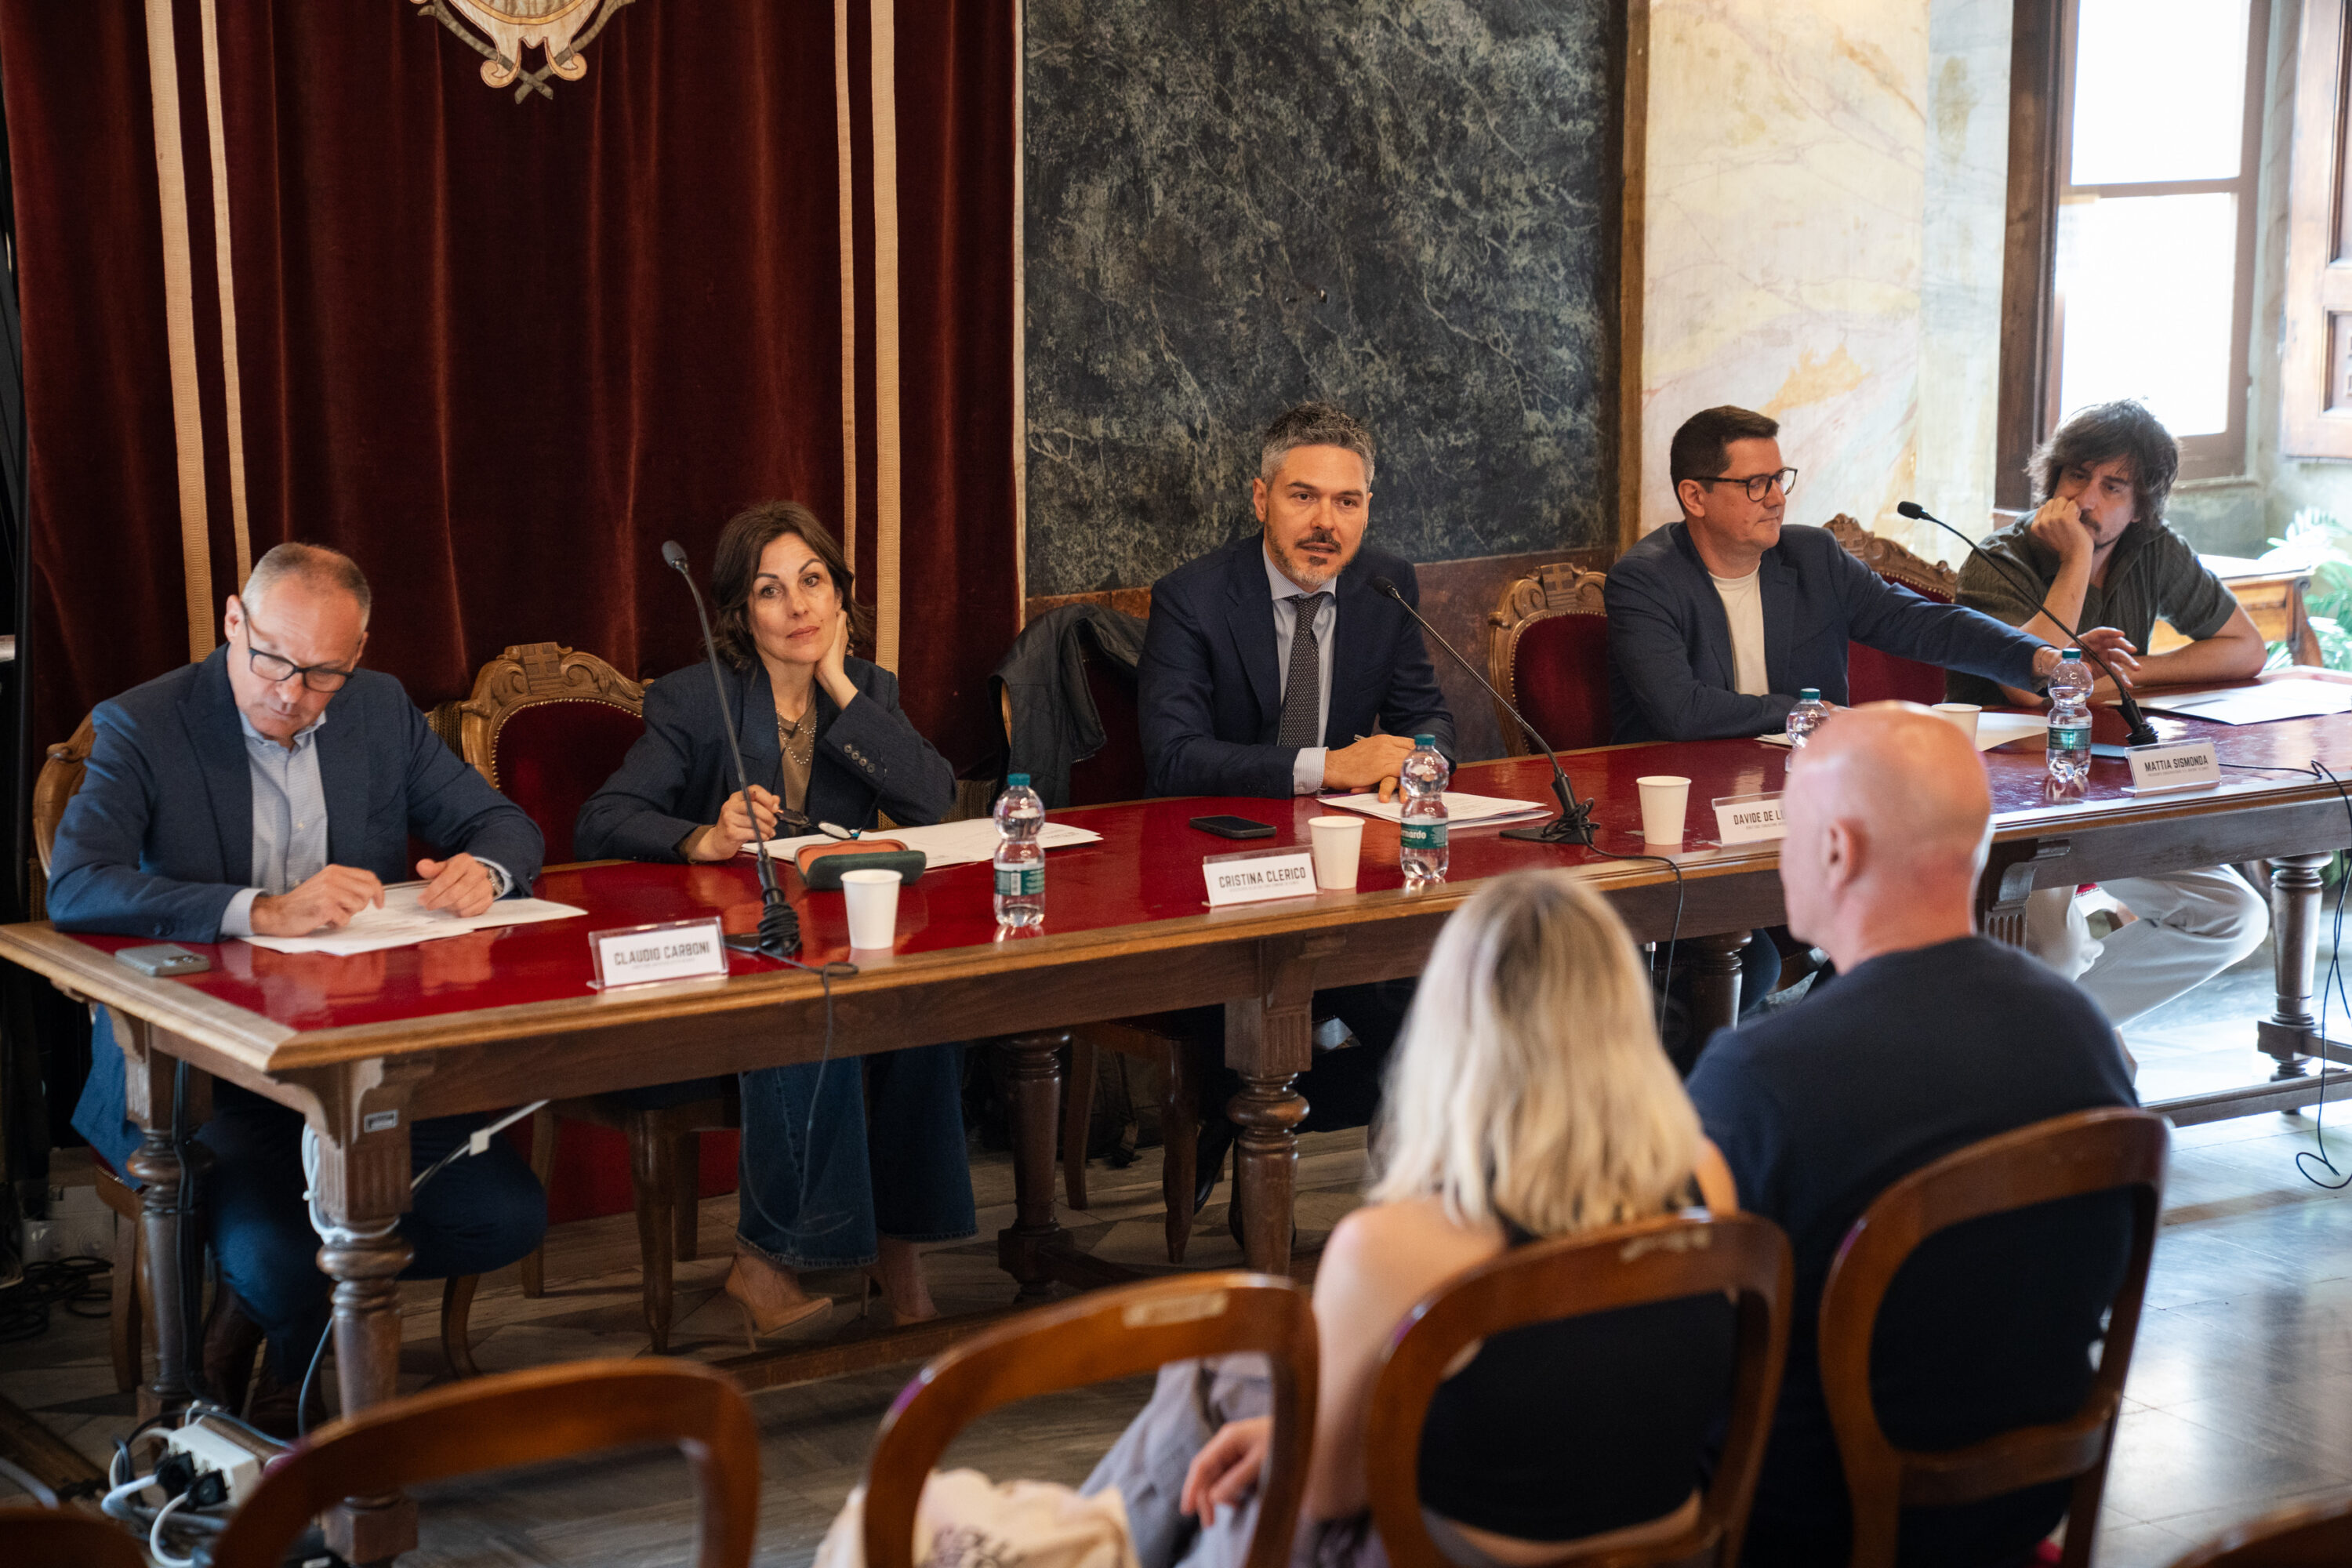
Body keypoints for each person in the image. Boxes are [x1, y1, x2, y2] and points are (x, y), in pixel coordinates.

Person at [1083, 870, 1741, 1568]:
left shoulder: (1397, 1247)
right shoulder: (1706, 1176)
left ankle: (1079, 1539)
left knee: (1226, 1381)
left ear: (1453, 1026)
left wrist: (1292, 1443)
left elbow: (1326, 1495)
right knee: (1240, 1379)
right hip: (1669, 1550)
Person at [50, 543, 548, 1432]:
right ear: (235, 624)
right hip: (208, 1075)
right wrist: (257, 911)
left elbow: (502, 823)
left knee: (507, 1216)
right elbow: (79, 885)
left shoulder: (379, 711)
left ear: (356, 657)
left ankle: (271, 1330)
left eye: (321, 673)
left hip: (353, 1062)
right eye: (273, 659)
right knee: (284, 1259)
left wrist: (488, 868)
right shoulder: (144, 723)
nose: (290, 691)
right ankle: (288, 1370)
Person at [1685, 703, 2140, 1566]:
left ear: (1836, 849)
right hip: (2018, 1512)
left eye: (1790, 829)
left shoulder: (1760, 1076)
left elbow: (1683, 1342)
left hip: (1802, 1528)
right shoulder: (2086, 1035)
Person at [575, 501, 972, 1334]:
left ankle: (901, 1252)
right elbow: (603, 819)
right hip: (728, 955)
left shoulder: (870, 694)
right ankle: (775, 1258)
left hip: (840, 936)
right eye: (770, 590)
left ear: (840, 595)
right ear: (737, 613)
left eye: (814, 582)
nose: (799, 607)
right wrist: (703, 834)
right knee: (809, 1005)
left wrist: (837, 684)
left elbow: (933, 800)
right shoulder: (695, 700)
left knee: (926, 1010)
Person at [1135, 402, 1454, 1207]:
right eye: (1303, 497)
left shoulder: (1387, 586)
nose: (1326, 523)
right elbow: (1174, 755)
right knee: (1269, 1026)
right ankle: (1244, 1138)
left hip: (1348, 873)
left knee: (1437, 1003)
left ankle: (1365, 1184)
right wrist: (1329, 766)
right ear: (1260, 498)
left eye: (1347, 502)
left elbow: (1433, 718)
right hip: (1217, 873)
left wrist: (1419, 760)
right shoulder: (1193, 598)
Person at [1947, 399, 2268, 1025]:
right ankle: (2052, 1058)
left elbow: (2246, 647)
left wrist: (2118, 678)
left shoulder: (2153, 551)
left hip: (2115, 789)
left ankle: (2056, 1045)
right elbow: (2027, 687)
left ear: (2143, 504)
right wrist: (2073, 561)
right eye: (2076, 476)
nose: (2087, 500)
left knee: (2234, 916)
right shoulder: (1998, 558)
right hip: (2012, 803)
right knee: (2055, 948)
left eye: (2113, 486)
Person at [1604, 405, 2127, 745]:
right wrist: (1808, 713)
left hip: (1812, 788)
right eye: (1757, 484)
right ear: (1694, 496)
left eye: (1781, 479)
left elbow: (1923, 623)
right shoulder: (1646, 582)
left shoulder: (1812, 557)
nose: (1779, 499)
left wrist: (2038, 659)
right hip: (1688, 797)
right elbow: (1683, 711)